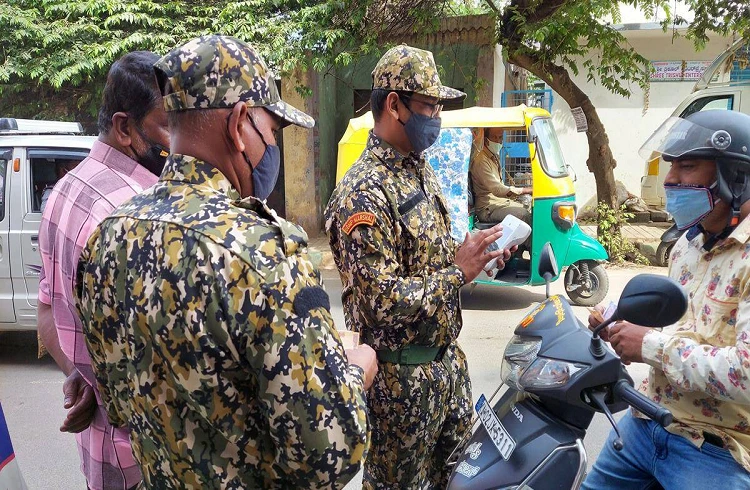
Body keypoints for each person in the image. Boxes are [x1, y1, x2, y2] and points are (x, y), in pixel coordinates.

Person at [75, 35, 377, 489]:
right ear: (239, 124)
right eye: (271, 131)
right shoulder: (263, 252)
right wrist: (355, 369)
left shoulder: (106, 240)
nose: (270, 147)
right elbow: (330, 454)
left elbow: (118, 404)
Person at [324, 44, 513, 489]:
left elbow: (429, 256)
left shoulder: (418, 171)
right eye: (429, 106)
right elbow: (379, 302)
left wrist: (475, 255)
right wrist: (457, 274)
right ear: (395, 105)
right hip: (399, 387)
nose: (437, 118)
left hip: (446, 369)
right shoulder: (362, 194)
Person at [582, 110, 750, 488]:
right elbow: (681, 327)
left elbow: (746, 373)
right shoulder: (687, 246)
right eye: (671, 167)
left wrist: (650, 346)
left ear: (736, 177)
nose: (670, 180)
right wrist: (622, 323)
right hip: (646, 423)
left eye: (687, 167)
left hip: (717, 449)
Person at [37, 50, 169, 490]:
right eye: (168, 125)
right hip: (144, 461)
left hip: (100, 455)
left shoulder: (63, 190)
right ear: (125, 127)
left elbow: (47, 320)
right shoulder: (136, 215)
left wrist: (85, 380)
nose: (178, 141)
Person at [470, 127, 531, 225]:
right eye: (495, 137)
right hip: (487, 208)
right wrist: (525, 190)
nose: (498, 141)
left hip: (500, 202)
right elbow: (497, 189)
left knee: (530, 207)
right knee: (524, 215)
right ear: (486, 139)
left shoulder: (493, 156)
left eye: (500, 138)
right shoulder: (481, 161)